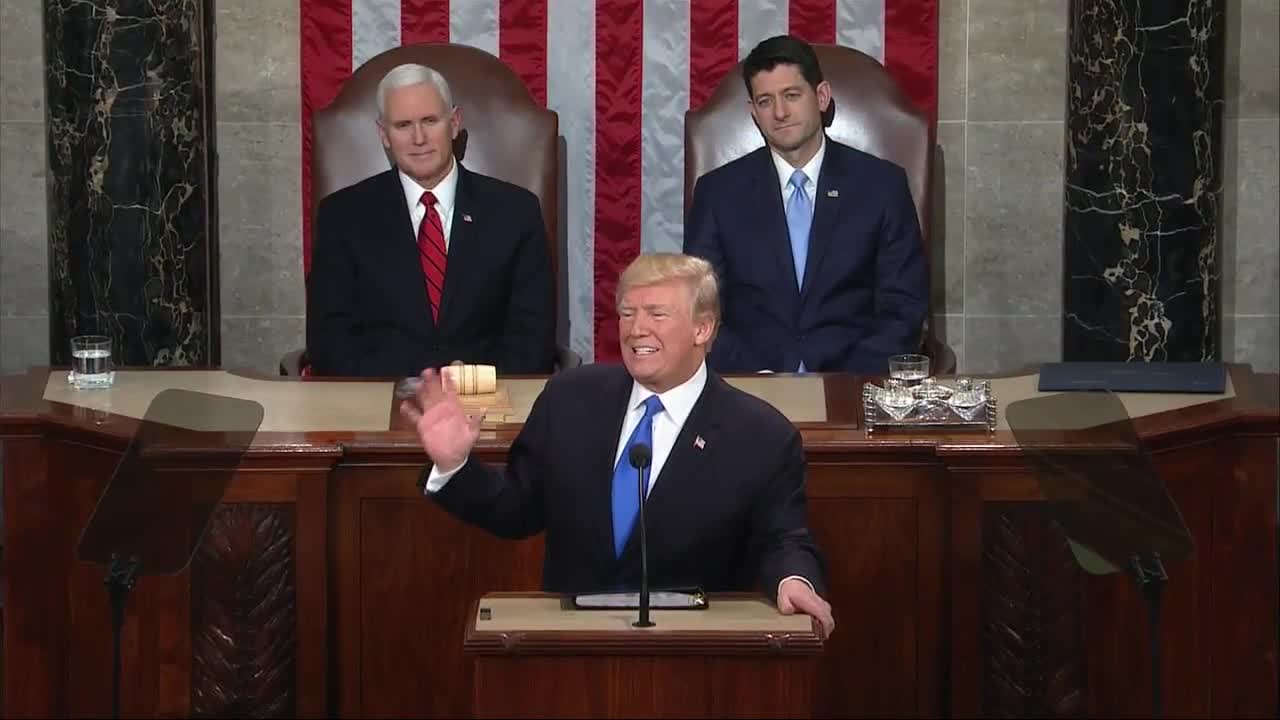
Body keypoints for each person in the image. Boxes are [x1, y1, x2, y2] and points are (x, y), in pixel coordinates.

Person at [399, 253, 835, 638]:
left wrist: (793, 581)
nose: (636, 329)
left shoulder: (760, 435)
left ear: (703, 328)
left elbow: (784, 539)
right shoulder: (570, 398)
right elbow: (517, 508)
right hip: (572, 651)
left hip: (694, 655)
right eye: (627, 313)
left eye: (656, 314)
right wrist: (456, 466)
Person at [684, 35, 928, 375]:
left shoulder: (881, 186)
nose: (780, 113)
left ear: (822, 96)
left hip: (854, 382)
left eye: (792, 95)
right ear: (753, 112)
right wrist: (757, 377)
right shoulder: (718, 193)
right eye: (765, 101)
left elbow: (903, 307)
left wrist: (845, 381)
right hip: (750, 384)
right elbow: (700, 308)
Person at [306, 63, 556, 377]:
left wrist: (468, 384)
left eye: (429, 121)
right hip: (380, 401)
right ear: (384, 134)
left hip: (487, 399)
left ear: (453, 123)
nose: (419, 138)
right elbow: (329, 340)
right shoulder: (342, 216)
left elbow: (532, 337)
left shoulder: (516, 212)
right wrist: (411, 387)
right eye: (403, 125)